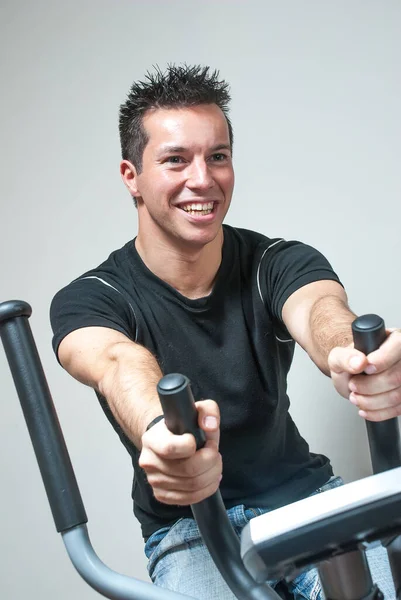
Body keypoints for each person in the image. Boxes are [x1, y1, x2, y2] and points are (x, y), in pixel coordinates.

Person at [50, 64, 400, 599]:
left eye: (217, 156)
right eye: (175, 160)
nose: (203, 179)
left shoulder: (274, 261)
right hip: (188, 528)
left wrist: (355, 357)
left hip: (302, 497)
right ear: (131, 176)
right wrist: (160, 432)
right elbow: (116, 361)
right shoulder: (94, 297)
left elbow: (320, 310)